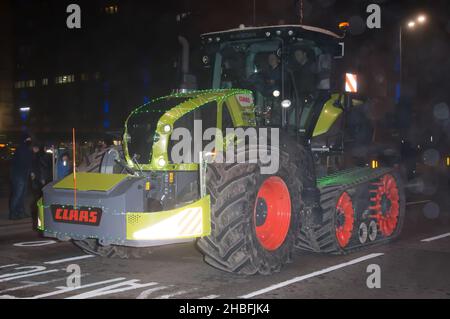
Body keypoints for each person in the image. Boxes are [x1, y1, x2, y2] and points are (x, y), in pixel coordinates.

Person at [9, 132, 33, 220]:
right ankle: (13, 213)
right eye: (28, 139)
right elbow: (24, 162)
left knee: (22, 194)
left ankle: (20, 212)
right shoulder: (22, 149)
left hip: (23, 174)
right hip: (18, 175)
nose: (30, 141)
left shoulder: (25, 149)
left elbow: (28, 162)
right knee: (18, 194)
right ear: (24, 140)